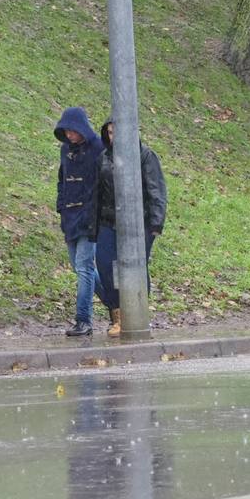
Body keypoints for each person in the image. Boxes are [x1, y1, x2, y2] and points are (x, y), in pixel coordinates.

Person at [91, 119, 167, 337]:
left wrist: (155, 224)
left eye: (117, 132)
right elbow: (97, 194)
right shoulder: (103, 158)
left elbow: (156, 191)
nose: (114, 137)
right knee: (106, 266)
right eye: (110, 133)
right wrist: (93, 223)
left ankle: (138, 314)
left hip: (139, 223)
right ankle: (117, 316)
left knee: (135, 268)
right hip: (108, 222)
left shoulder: (145, 156)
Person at [55, 106, 104, 337]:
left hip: (89, 216)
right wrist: (61, 205)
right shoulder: (66, 150)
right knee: (80, 267)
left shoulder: (97, 148)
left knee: (84, 267)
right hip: (70, 216)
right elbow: (62, 179)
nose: (69, 135)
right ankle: (115, 302)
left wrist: (96, 210)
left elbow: (103, 182)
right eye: (66, 132)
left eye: (72, 131)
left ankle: (83, 320)